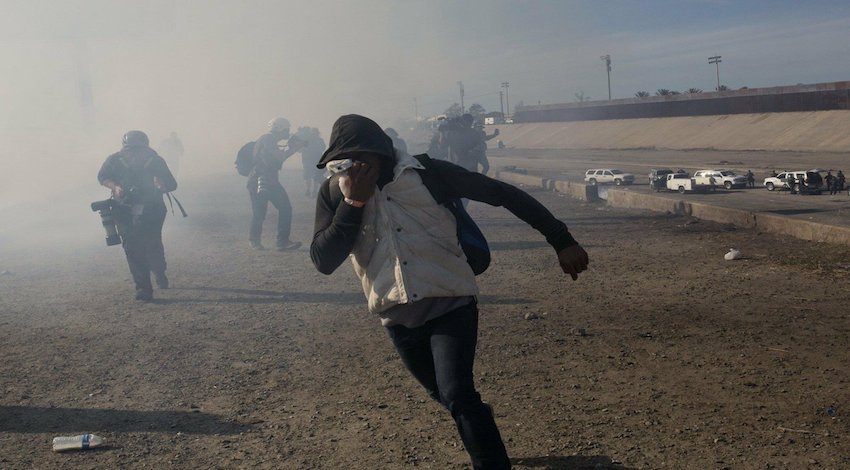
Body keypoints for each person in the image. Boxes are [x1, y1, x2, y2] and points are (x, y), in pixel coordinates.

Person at [310, 114, 589, 470]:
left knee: (457, 393)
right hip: (396, 313)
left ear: (383, 153)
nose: (356, 168)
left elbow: (502, 194)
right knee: (445, 395)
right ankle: (477, 418)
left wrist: (561, 240)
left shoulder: (427, 175)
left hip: (451, 299)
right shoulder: (336, 192)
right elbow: (323, 259)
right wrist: (354, 204)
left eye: (364, 158)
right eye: (346, 162)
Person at [98, 130, 177, 301]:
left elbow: (172, 184)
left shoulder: (156, 161)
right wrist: (115, 187)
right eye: (129, 150)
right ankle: (143, 288)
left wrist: (161, 184)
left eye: (137, 150)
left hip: (153, 209)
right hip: (123, 209)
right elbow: (102, 177)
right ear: (124, 149)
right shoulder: (114, 160)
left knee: (152, 242)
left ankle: (159, 271)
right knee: (132, 247)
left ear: (146, 149)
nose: (133, 154)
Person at [248, 117, 306, 251]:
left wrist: (293, 147)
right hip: (260, 180)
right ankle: (258, 241)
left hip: (269, 180)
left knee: (283, 209)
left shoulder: (269, 139)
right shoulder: (268, 139)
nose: (288, 132)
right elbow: (278, 157)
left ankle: (280, 241)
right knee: (260, 212)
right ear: (280, 129)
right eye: (287, 130)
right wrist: (294, 147)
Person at [296, 127, 327, 198]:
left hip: (315, 160)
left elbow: (322, 148)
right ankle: (309, 190)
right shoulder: (308, 140)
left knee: (314, 175)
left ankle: (314, 191)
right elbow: (301, 149)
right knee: (308, 176)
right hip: (308, 160)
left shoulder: (318, 140)